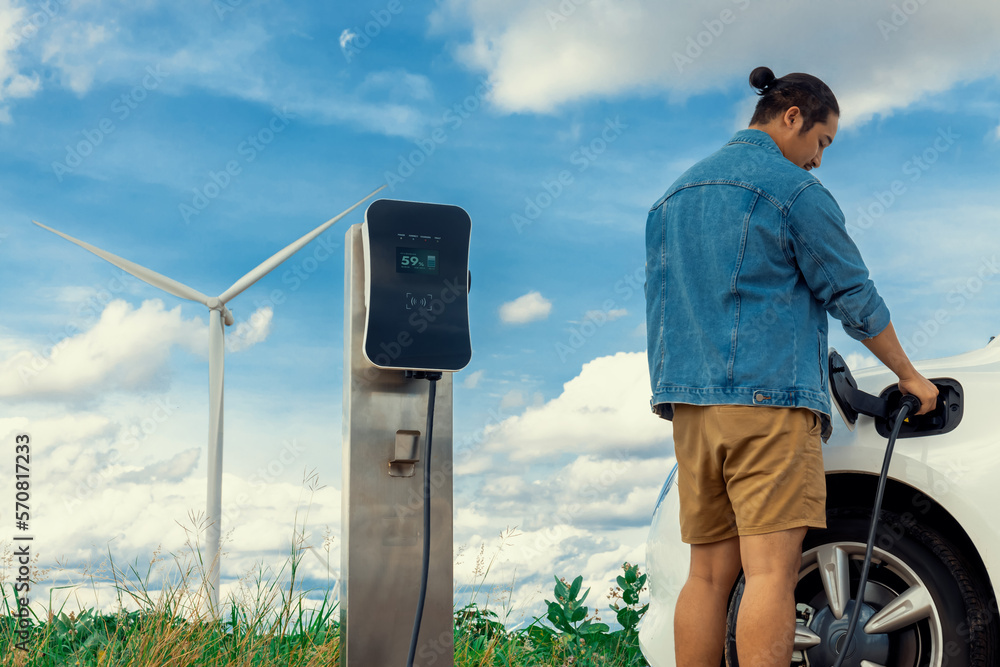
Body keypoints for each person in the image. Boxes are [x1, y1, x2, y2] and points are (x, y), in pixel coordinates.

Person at [643, 66, 939, 667]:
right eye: (822, 142)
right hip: (768, 406)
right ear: (793, 117)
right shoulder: (792, 192)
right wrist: (909, 376)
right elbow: (852, 293)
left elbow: (659, 308)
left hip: (693, 414)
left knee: (706, 578)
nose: (819, 161)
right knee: (770, 576)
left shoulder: (671, 198)